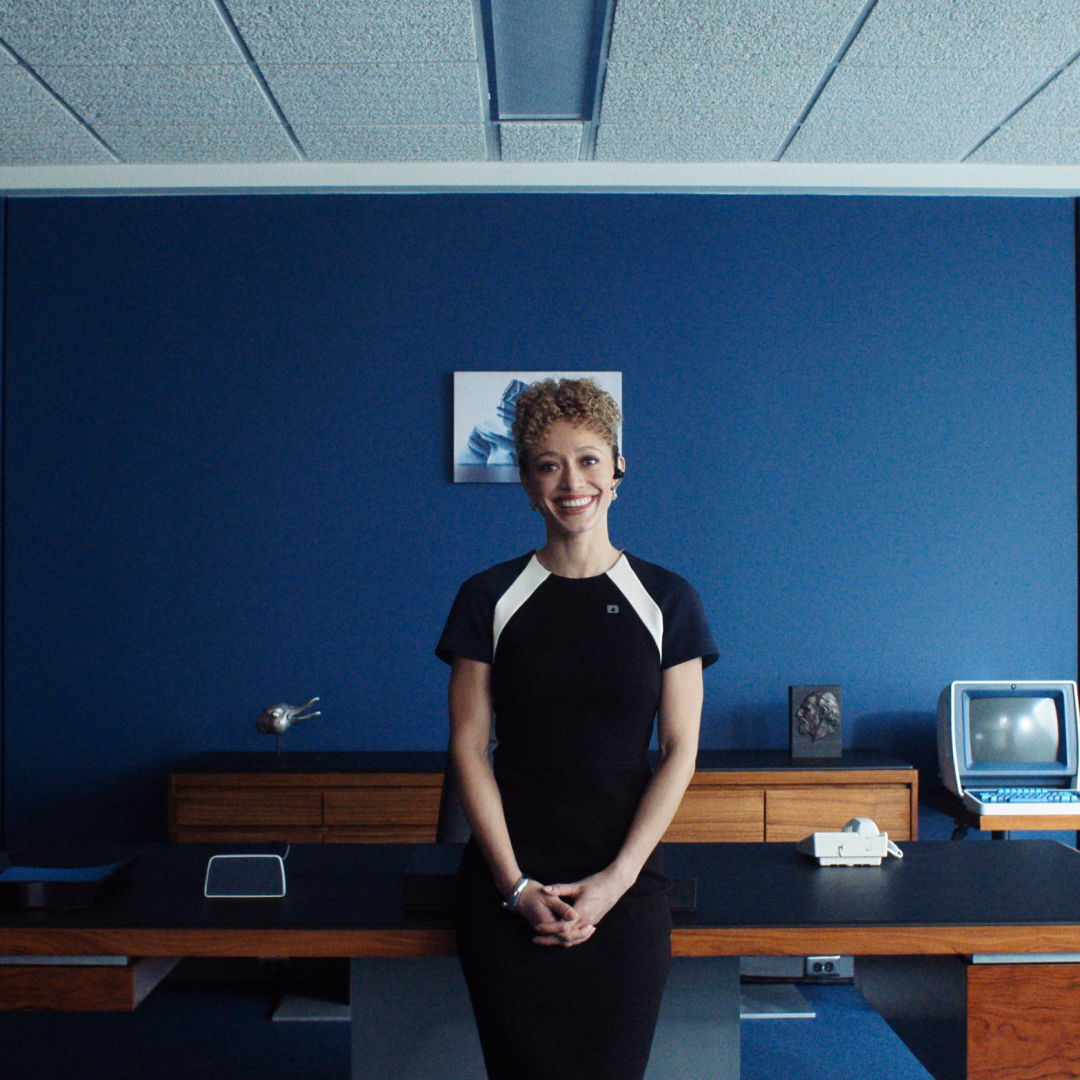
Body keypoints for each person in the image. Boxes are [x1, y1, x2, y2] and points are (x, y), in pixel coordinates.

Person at [436, 377, 717, 1080]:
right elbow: (468, 747)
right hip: (508, 893)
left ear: (618, 468)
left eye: (589, 460)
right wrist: (514, 886)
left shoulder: (668, 599)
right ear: (527, 483)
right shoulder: (487, 597)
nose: (571, 483)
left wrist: (616, 882)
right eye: (548, 465)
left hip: (625, 890)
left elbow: (680, 751)